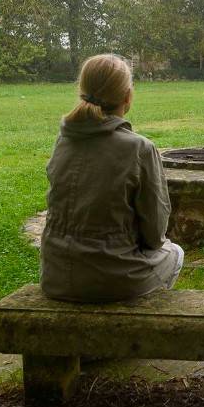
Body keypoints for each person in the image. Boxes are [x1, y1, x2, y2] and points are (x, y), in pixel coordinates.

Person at [40, 54, 183, 302]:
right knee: (175, 253)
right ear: (127, 96)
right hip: (112, 279)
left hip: (56, 276)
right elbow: (154, 234)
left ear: (82, 91)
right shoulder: (139, 148)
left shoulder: (64, 140)